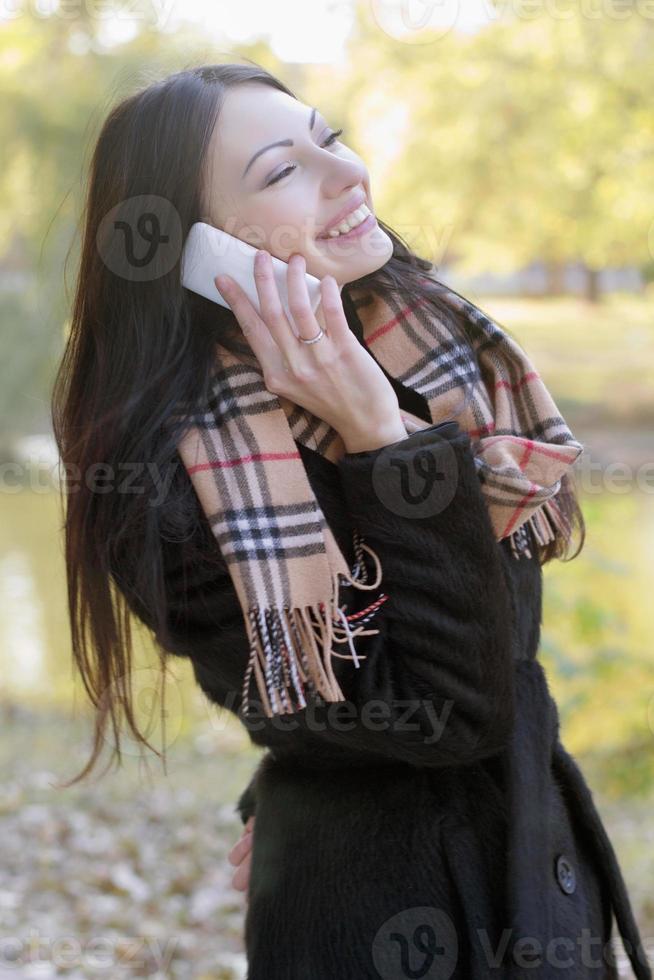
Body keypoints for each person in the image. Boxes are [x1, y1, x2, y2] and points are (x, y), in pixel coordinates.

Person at [51, 62, 651, 979]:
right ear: (197, 250)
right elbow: (453, 715)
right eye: (281, 173)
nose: (348, 176)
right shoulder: (177, 483)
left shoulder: (428, 349)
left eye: (329, 139)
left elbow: (453, 655)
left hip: (536, 873)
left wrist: (305, 761)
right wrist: (379, 439)